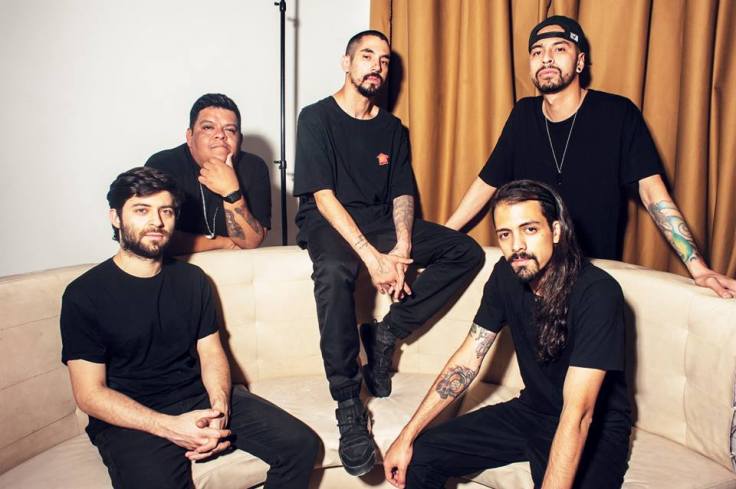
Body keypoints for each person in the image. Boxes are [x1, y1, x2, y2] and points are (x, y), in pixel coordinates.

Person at [293, 30, 484, 477]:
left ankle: (385, 334)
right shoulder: (316, 117)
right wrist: (373, 259)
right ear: (346, 63)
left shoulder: (392, 128)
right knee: (335, 270)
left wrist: (401, 246)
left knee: (465, 251)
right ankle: (348, 404)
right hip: (328, 220)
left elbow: (402, 193)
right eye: (366, 56)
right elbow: (322, 196)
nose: (376, 66)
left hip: (379, 220)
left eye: (383, 60)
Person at [60, 167, 318, 489]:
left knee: (300, 446)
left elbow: (210, 352)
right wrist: (169, 427)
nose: (156, 222)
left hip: (196, 395)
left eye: (165, 211)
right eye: (141, 210)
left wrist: (220, 407)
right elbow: (89, 394)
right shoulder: (84, 294)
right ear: (115, 217)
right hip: (131, 416)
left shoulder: (192, 279)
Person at [445, 15, 736, 299]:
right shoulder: (523, 115)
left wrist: (698, 268)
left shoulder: (617, 113)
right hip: (533, 279)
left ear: (580, 62)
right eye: (537, 52)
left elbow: (652, 192)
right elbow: (487, 182)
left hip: (592, 279)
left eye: (559, 49)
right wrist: (442, 237)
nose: (546, 59)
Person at [384, 179, 631, 489]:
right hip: (532, 412)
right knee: (420, 456)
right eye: (505, 234)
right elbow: (467, 360)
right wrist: (407, 437)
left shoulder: (598, 293)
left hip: (595, 429)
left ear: (556, 231)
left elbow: (579, 413)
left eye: (530, 229)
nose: (517, 246)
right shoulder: (505, 274)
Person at [146, 93, 271, 254]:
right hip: (176, 263)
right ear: (190, 137)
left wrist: (231, 192)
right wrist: (223, 243)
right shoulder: (163, 165)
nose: (220, 135)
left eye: (230, 129)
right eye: (208, 127)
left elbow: (251, 241)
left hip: (232, 263)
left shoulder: (254, 167)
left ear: (240, 140)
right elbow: (157, 238)